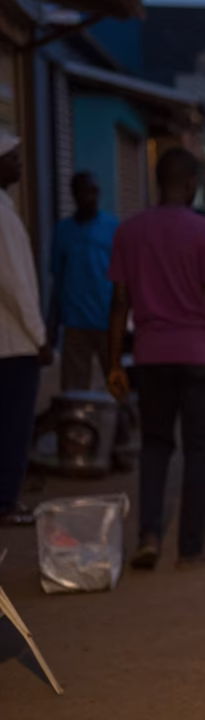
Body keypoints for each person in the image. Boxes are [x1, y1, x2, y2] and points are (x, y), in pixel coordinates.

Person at [107, 147, 205, 569]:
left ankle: (148, 537)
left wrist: (114, 362)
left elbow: (118, 303)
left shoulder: (129, 232)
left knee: (154, 448)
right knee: (196, 451)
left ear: (158, 181)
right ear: (191, 184)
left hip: (150, 357)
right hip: (199, 358)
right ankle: (190, 547)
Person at [0, 132, 54, 526]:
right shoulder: (2, 216)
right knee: (13, 425)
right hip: (13, 343)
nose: (19, 164)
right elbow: (17, 286)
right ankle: (6, 501)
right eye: (12, 157)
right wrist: (40, 337)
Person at [49, 172, 118, 391]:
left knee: (117, 379)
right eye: (86, 191)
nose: (91, 197)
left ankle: (125, 421)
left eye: (94, 191)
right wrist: (52, 325)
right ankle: (76, 424)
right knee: (74, 385)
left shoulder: (113, 227)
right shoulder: (63, 231)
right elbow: (57, 279)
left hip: (108, 319)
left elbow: (125, 277)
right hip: (75, 321)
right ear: (75, 194)